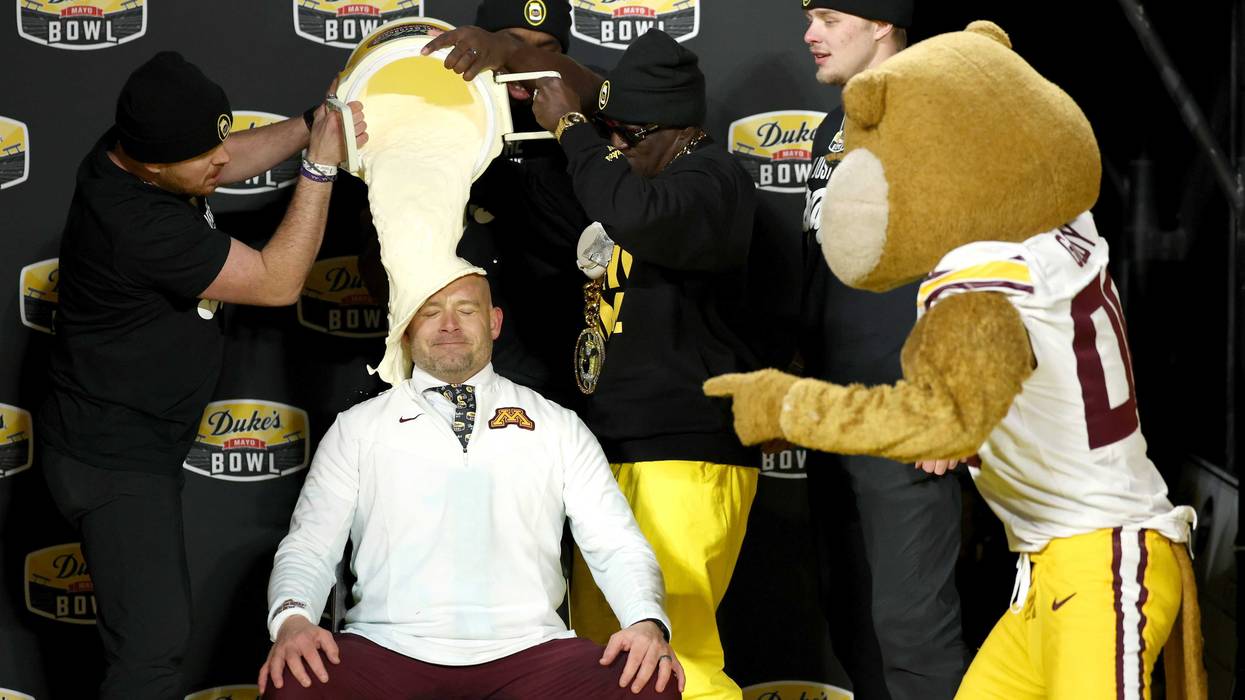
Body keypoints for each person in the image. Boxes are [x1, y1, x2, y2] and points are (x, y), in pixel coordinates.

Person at [424, 27, 760, 700]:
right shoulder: (643, 157)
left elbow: (630, 209)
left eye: (622, 135)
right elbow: (574, 81)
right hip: (609, 450)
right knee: (610, 666)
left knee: (675, 656)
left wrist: (574, 128)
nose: (611, 146)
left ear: (668, 128)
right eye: (606, 131)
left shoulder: (710, 178)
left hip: (682, 451)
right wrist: (505, 53)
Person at [36, 51, 366, 699]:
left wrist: (311, 120)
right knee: (151, 655)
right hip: (112, 460)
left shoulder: (135, 153)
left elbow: (220, 154)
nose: (223, 160)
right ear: (153, 164)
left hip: (119, 439)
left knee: (146, 642)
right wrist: (320, 164)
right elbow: (276, 283)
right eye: (203, 155)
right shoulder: (134, 224)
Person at [257, 273, 684, 699]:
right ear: (406, 328)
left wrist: (645, 620)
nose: (449, 325)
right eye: (430, 312)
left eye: (466, 310)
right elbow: (309, 546)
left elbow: (617, 542)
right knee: (294, 682)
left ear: (494, 322)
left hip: (532, 650)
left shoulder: (558, 426)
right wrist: (293, 620)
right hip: (386, 646)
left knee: (651, 683)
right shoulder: (357, 428)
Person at [798, 2, 968, 698]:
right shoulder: (835, 127)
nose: (809, 34)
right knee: (852, 622)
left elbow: (983, 260)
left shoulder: (936, 116)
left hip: (905, 415)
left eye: (828, 17)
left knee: (911, 633)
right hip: (834, 407)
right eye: (808, 17)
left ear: (881, 24)